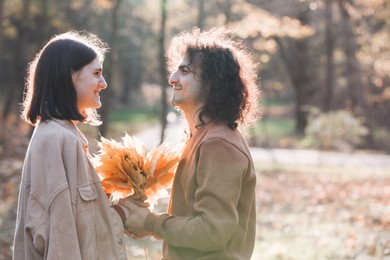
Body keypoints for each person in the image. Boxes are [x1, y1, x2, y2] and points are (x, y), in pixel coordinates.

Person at [120, 27, 261, 260]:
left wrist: (151, 222)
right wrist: (150, 223)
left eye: (185, 71)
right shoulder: (202, 136)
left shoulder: (218, 145)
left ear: (211, 83)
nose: (172, 78)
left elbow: (212, 232)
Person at [13, 31, 137, 259]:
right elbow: (60, 241)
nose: (104, 83)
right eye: (97, 73)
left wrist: (123, 210)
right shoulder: (56, 140)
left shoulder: (66, 135)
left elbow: (84, 225)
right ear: (68, 76)